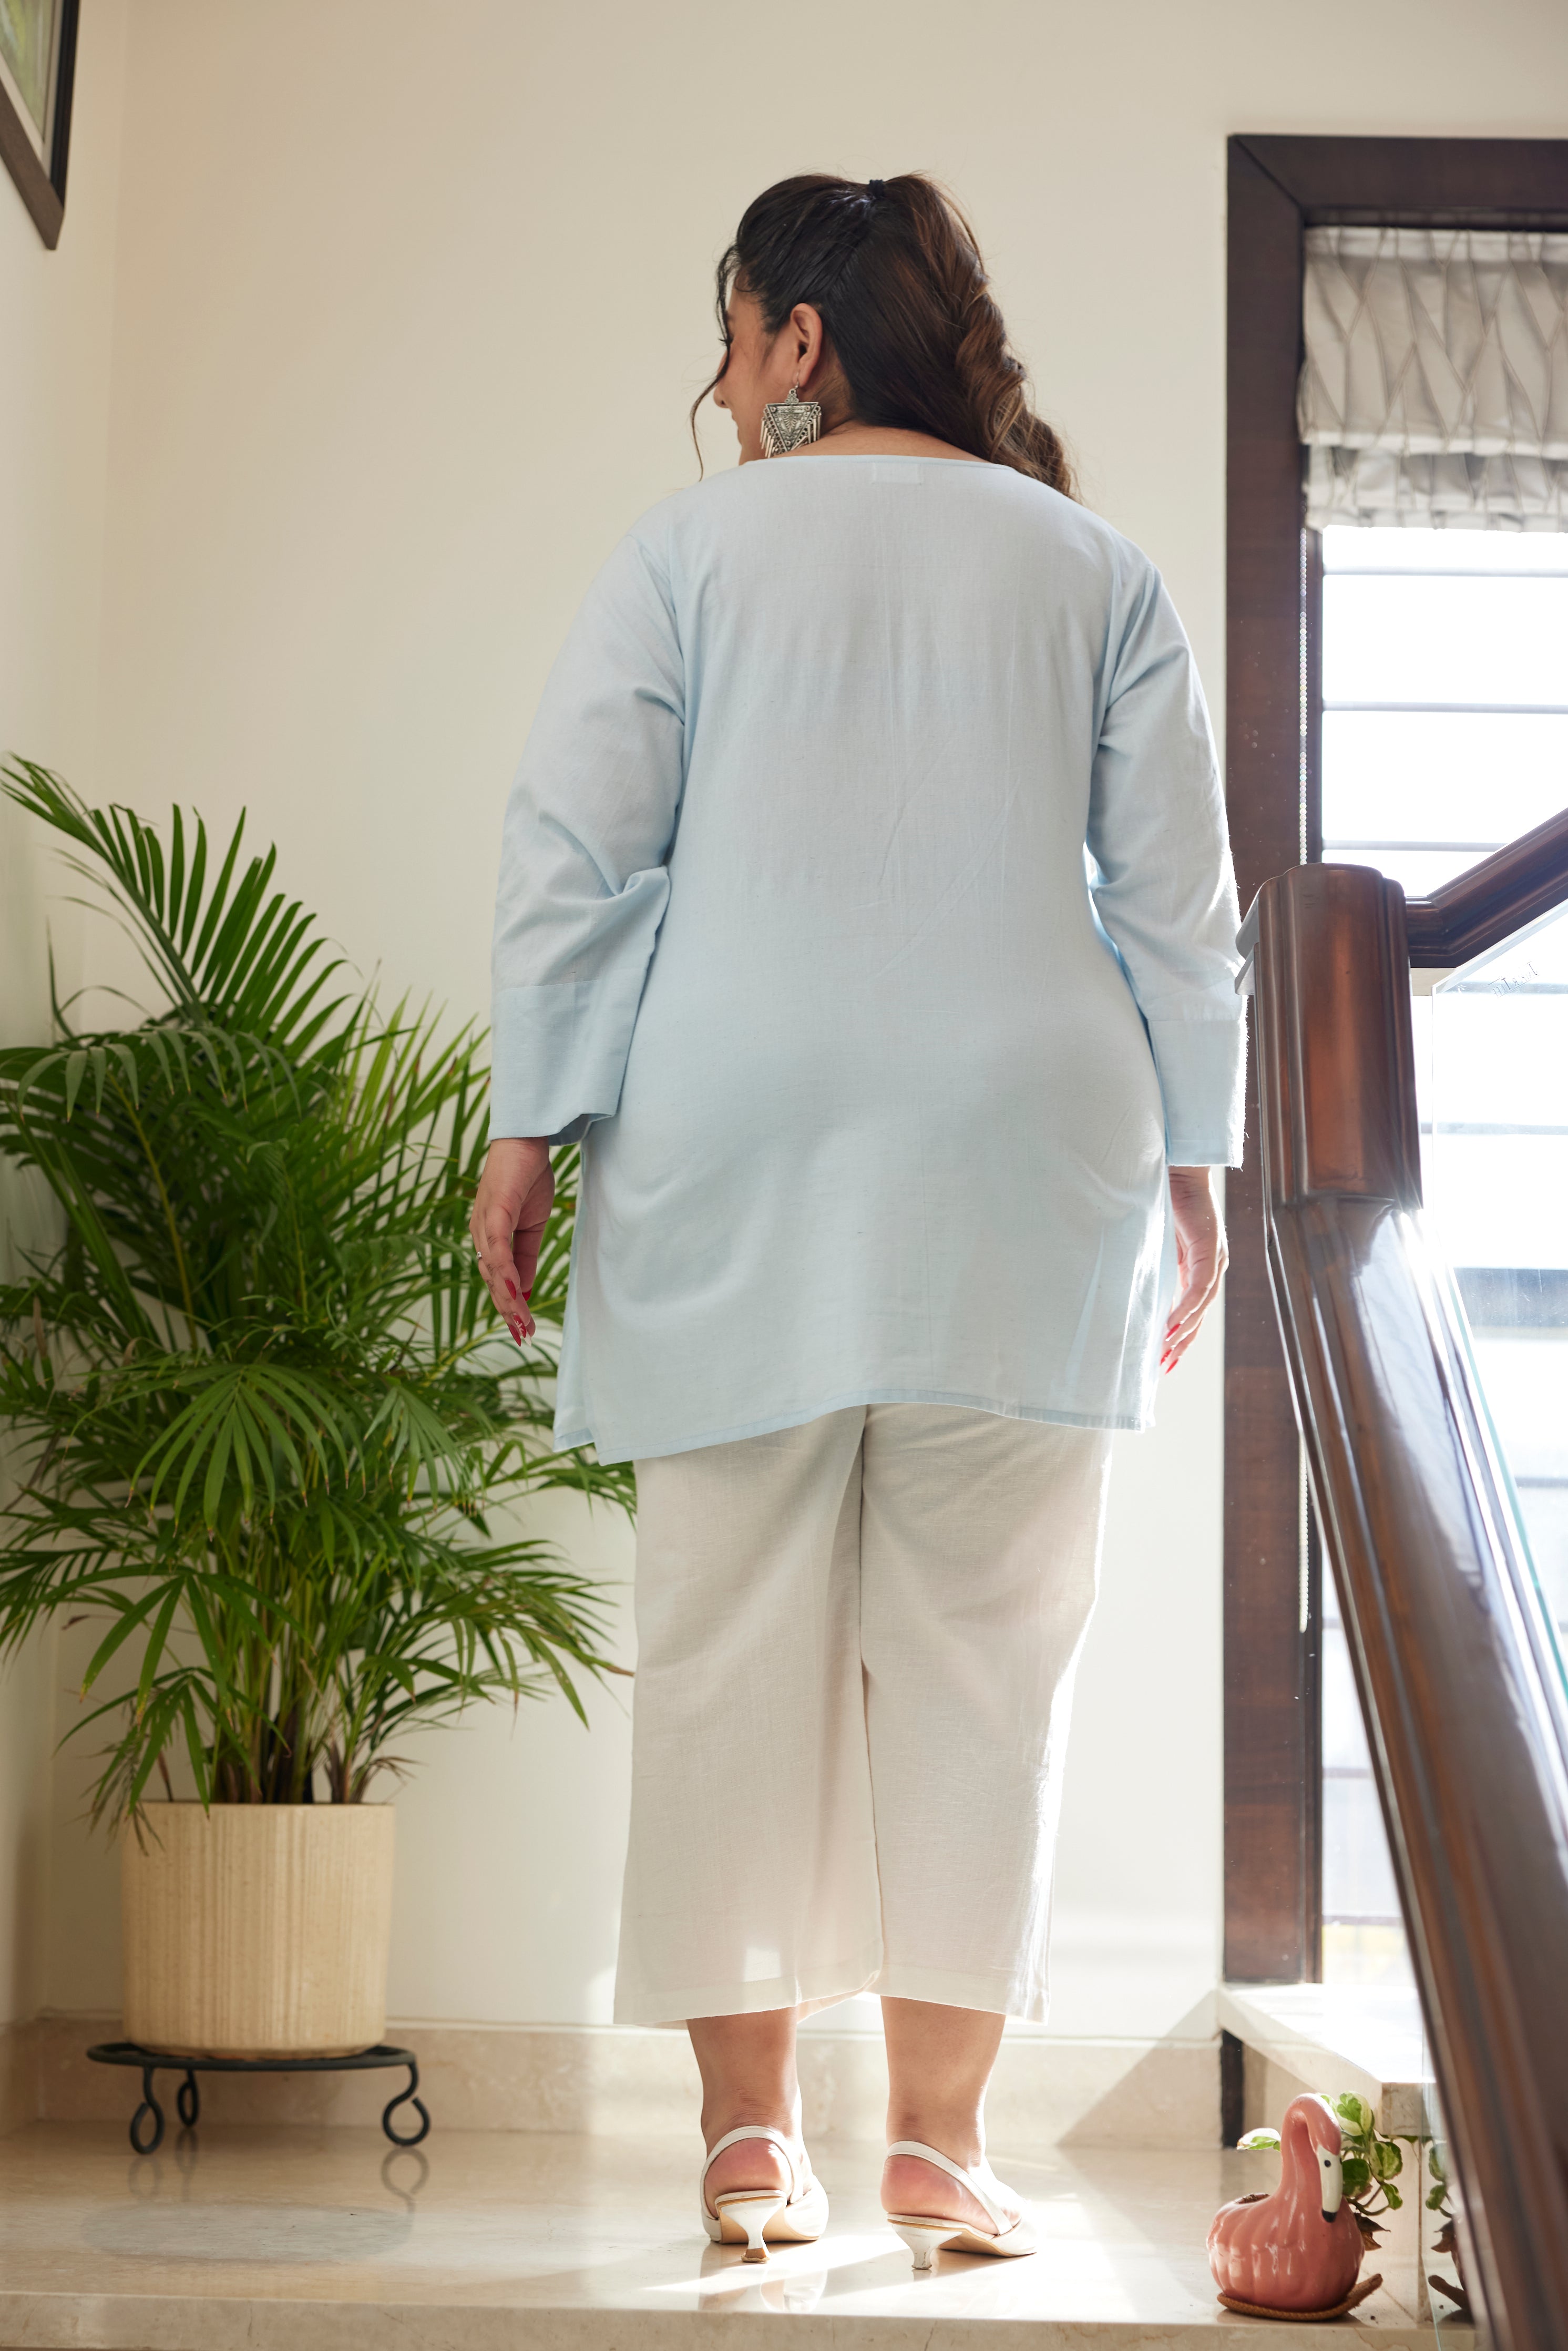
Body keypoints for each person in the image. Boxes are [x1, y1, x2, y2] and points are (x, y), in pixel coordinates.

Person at [472, 172, 1244, 2266]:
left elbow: (581, 853)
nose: (720, 393)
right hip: (1032, 1147)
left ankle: (747, 2140)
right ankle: (938, 2141)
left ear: (800, 337)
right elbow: (1178, 909)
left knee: (726, 1637)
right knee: (988, 1658)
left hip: (740, 1132)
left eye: (730, 342)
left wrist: (527, 1123)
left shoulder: (687, 553)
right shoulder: (1091, 565)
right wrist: (1195, 1168)